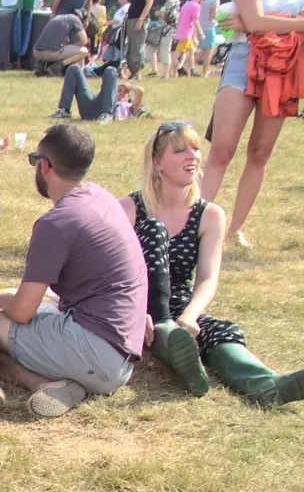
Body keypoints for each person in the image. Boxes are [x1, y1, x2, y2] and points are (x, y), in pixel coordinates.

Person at [0, 123, 146, 418]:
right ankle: (43, 384)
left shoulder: (56, 223)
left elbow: (22, 311)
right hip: (122, 353)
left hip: (92, 349)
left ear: (45, 166)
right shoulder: (102, 199)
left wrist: (0, 302)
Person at [123, 120, 304, 406]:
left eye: (195, 148)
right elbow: (110, 269)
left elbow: (207, 277)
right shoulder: (130, 209)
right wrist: (134, 309)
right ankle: (177, 351)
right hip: (131, 304)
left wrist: (192, 315)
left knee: (218, 332)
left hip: (179, 303)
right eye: (181, 150)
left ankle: (265, 384)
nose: (192, 156)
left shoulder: (210, 214)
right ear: (157, 164)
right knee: (164, 327)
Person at [201, 0, 304, 249]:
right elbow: (254, 22)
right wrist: (275, 23)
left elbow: (256, 20)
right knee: (222, 148)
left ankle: (235, 230)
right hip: (243, 60)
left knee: (260, 152)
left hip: (285, 68)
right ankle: (192, 221)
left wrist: (253, 22)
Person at [124, 0, 157, 77]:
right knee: (131, 45)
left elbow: (149, 3)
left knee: (138, 45)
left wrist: (141, 20)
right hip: (131, 17)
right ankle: (133, 71)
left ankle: (138, 72)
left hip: (139, 18)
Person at [198, 0, 226, 75]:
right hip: (209, 27)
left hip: (201, 26)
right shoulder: (215, 0)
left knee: (202, 51)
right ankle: (205, 72)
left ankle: (186, 66)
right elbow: (213, 15)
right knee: (209, 51)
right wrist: (223, 18)